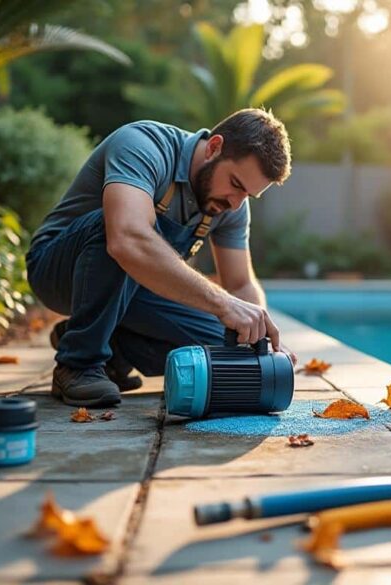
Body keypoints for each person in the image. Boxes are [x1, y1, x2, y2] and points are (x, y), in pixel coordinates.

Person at [25, 108, 297, 407]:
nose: (235, 203)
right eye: (235, 184)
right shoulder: (143, 145)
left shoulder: (232, 205)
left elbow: (241, 283)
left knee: (229, 346)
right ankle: (78, 362)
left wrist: (261, 340)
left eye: (248, 195)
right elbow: (126, 238)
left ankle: (113, 345)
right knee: (121, 225)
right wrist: (222, 303)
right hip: (56, 271)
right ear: (214, 147)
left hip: (137, 290)